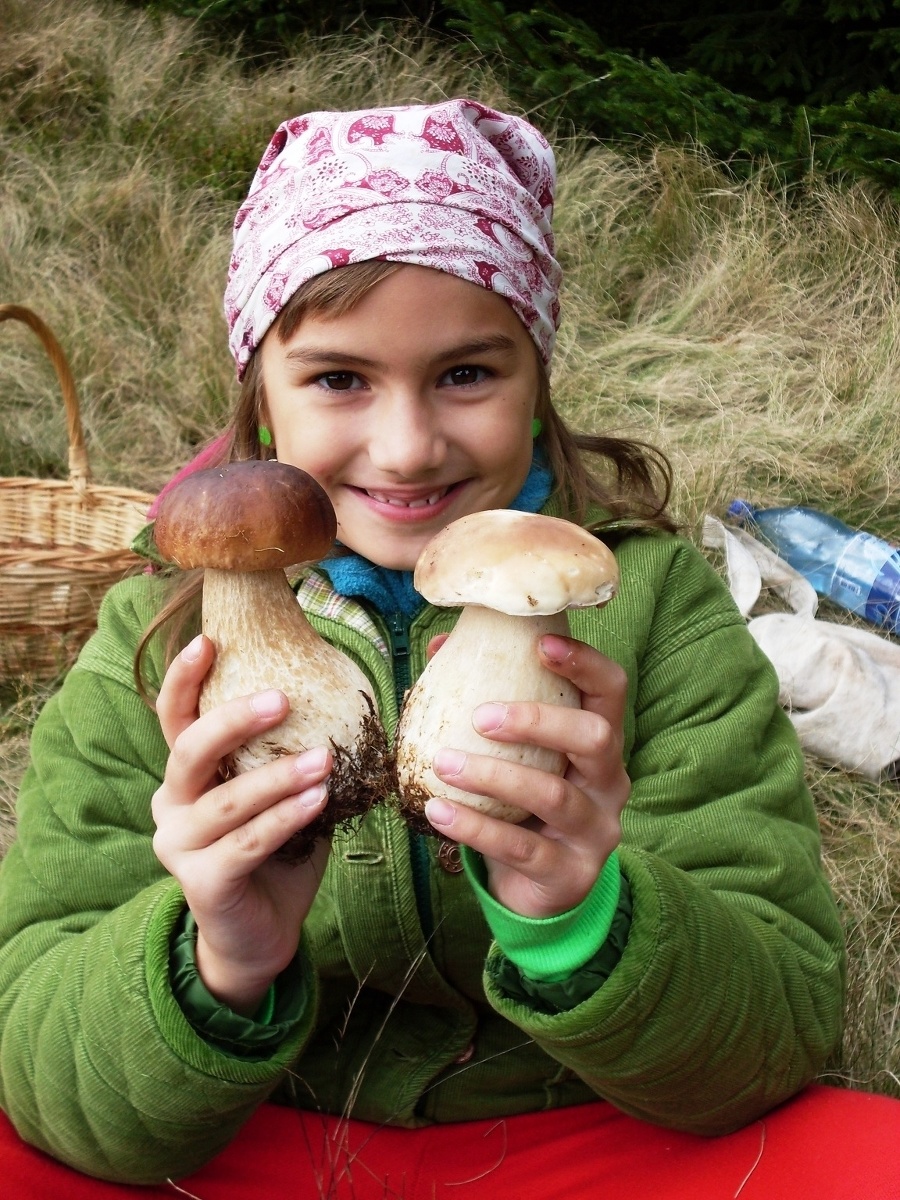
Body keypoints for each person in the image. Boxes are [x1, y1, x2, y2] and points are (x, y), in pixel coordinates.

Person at [0, 99, 897, 1200]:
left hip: (584, 1121)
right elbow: (48, 1080)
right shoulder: (153, 643)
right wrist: (220, 960)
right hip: (258, 1123)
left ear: (537, 381)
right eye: (338, 378)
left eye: (467, 373)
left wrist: (581, 917)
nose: (408, 445)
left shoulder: (662, 612)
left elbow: (773, 1036)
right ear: (262, 400)